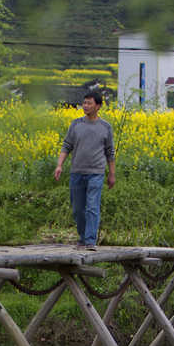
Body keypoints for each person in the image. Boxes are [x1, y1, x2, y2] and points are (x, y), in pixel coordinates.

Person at [54, 90, 115, 250]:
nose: (85, 106)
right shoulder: (76, 124)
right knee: (78, 209)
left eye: (89, 103)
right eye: (84, 103)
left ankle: (90, 241)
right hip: (77, 172)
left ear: (98, 106)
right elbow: (67, 145)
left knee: (92, 207)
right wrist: (59, 165)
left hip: (96, 173)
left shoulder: (105, 127)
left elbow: (110, 152)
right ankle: (83, 238)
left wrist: (112, 174)